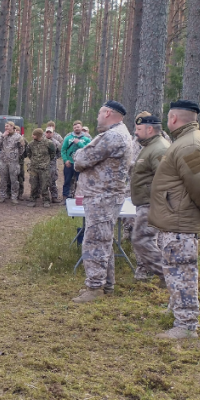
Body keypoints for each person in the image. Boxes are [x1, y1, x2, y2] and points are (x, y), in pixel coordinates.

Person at [150, 100, 200, 339]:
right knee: (175, 271)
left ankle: (186, 325)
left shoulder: (189, 145)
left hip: (179, 222)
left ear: (173, 118)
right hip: (177, 219)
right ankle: (178, 314)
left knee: (181, 272)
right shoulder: (189, 140)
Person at [71, 100, 134, 303]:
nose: (97, 117)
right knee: (104, 240)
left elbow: (81, 159)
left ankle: (95, 288)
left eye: (99, 113)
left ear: (107, 113)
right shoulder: (120, 133)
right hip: (107, 196)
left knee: (95, 241)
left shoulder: (112, 136)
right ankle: (106, 284)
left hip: (102, 196)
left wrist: (78, 153)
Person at [129, 112, 170, 284]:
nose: (136, 132)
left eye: (139, 129)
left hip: (152, 204)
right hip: (146, 202)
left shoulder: (159, 148)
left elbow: (166, 179)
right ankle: (167, 275)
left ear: (150, 129)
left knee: (141, 240)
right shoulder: (149, 146)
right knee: (143, 240)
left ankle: (169, 275)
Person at [25, 129, 56, 207]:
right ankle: (32, 199)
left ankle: (46, 201)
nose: (32, 136)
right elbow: (29, 153)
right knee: (33, 185)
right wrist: (34, 161)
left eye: (34, 135)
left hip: (44, 168)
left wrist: (46, 161)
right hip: (34, 167)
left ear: (38, 135)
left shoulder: (49, 143)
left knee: (45, 185)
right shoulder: (31, 144)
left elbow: (52, 153)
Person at [61, 120, 91, 199]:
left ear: (81, 127)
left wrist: (79, 143)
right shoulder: (68, 138)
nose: (76, 128)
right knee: (67, 181)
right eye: (75, 127)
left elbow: (89, 150)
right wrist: (65, 160)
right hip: (69, 163)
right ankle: (65, 197)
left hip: (81, 164)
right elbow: (63, 150)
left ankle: (79, 198)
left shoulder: (87, 139)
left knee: (80, 182)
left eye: (78, 127)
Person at [0, 122, 24, 204]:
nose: (6, 128)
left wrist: (15, 156)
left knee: (14, 180)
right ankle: (2, 196)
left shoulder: (18, 137)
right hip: (3, 161)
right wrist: (2, 136)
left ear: (12, 127)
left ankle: (14, 197)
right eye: (5, 126)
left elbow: (22, 148)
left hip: (13, 162)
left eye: (8, 126)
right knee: (3, 180)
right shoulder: (3, 136)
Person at [44, 127, 62, 203]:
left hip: (52, 164)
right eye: (47, 132)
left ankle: (54, 197)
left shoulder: (56, 143)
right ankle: (45, 198)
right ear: (45, 133)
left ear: (53, 133)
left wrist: (54, 158)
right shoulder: (41, 141)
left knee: (52, 180)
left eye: (50, 132)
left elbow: (60, 152)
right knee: (43, 181)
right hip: (43, 164)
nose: (48, 134)